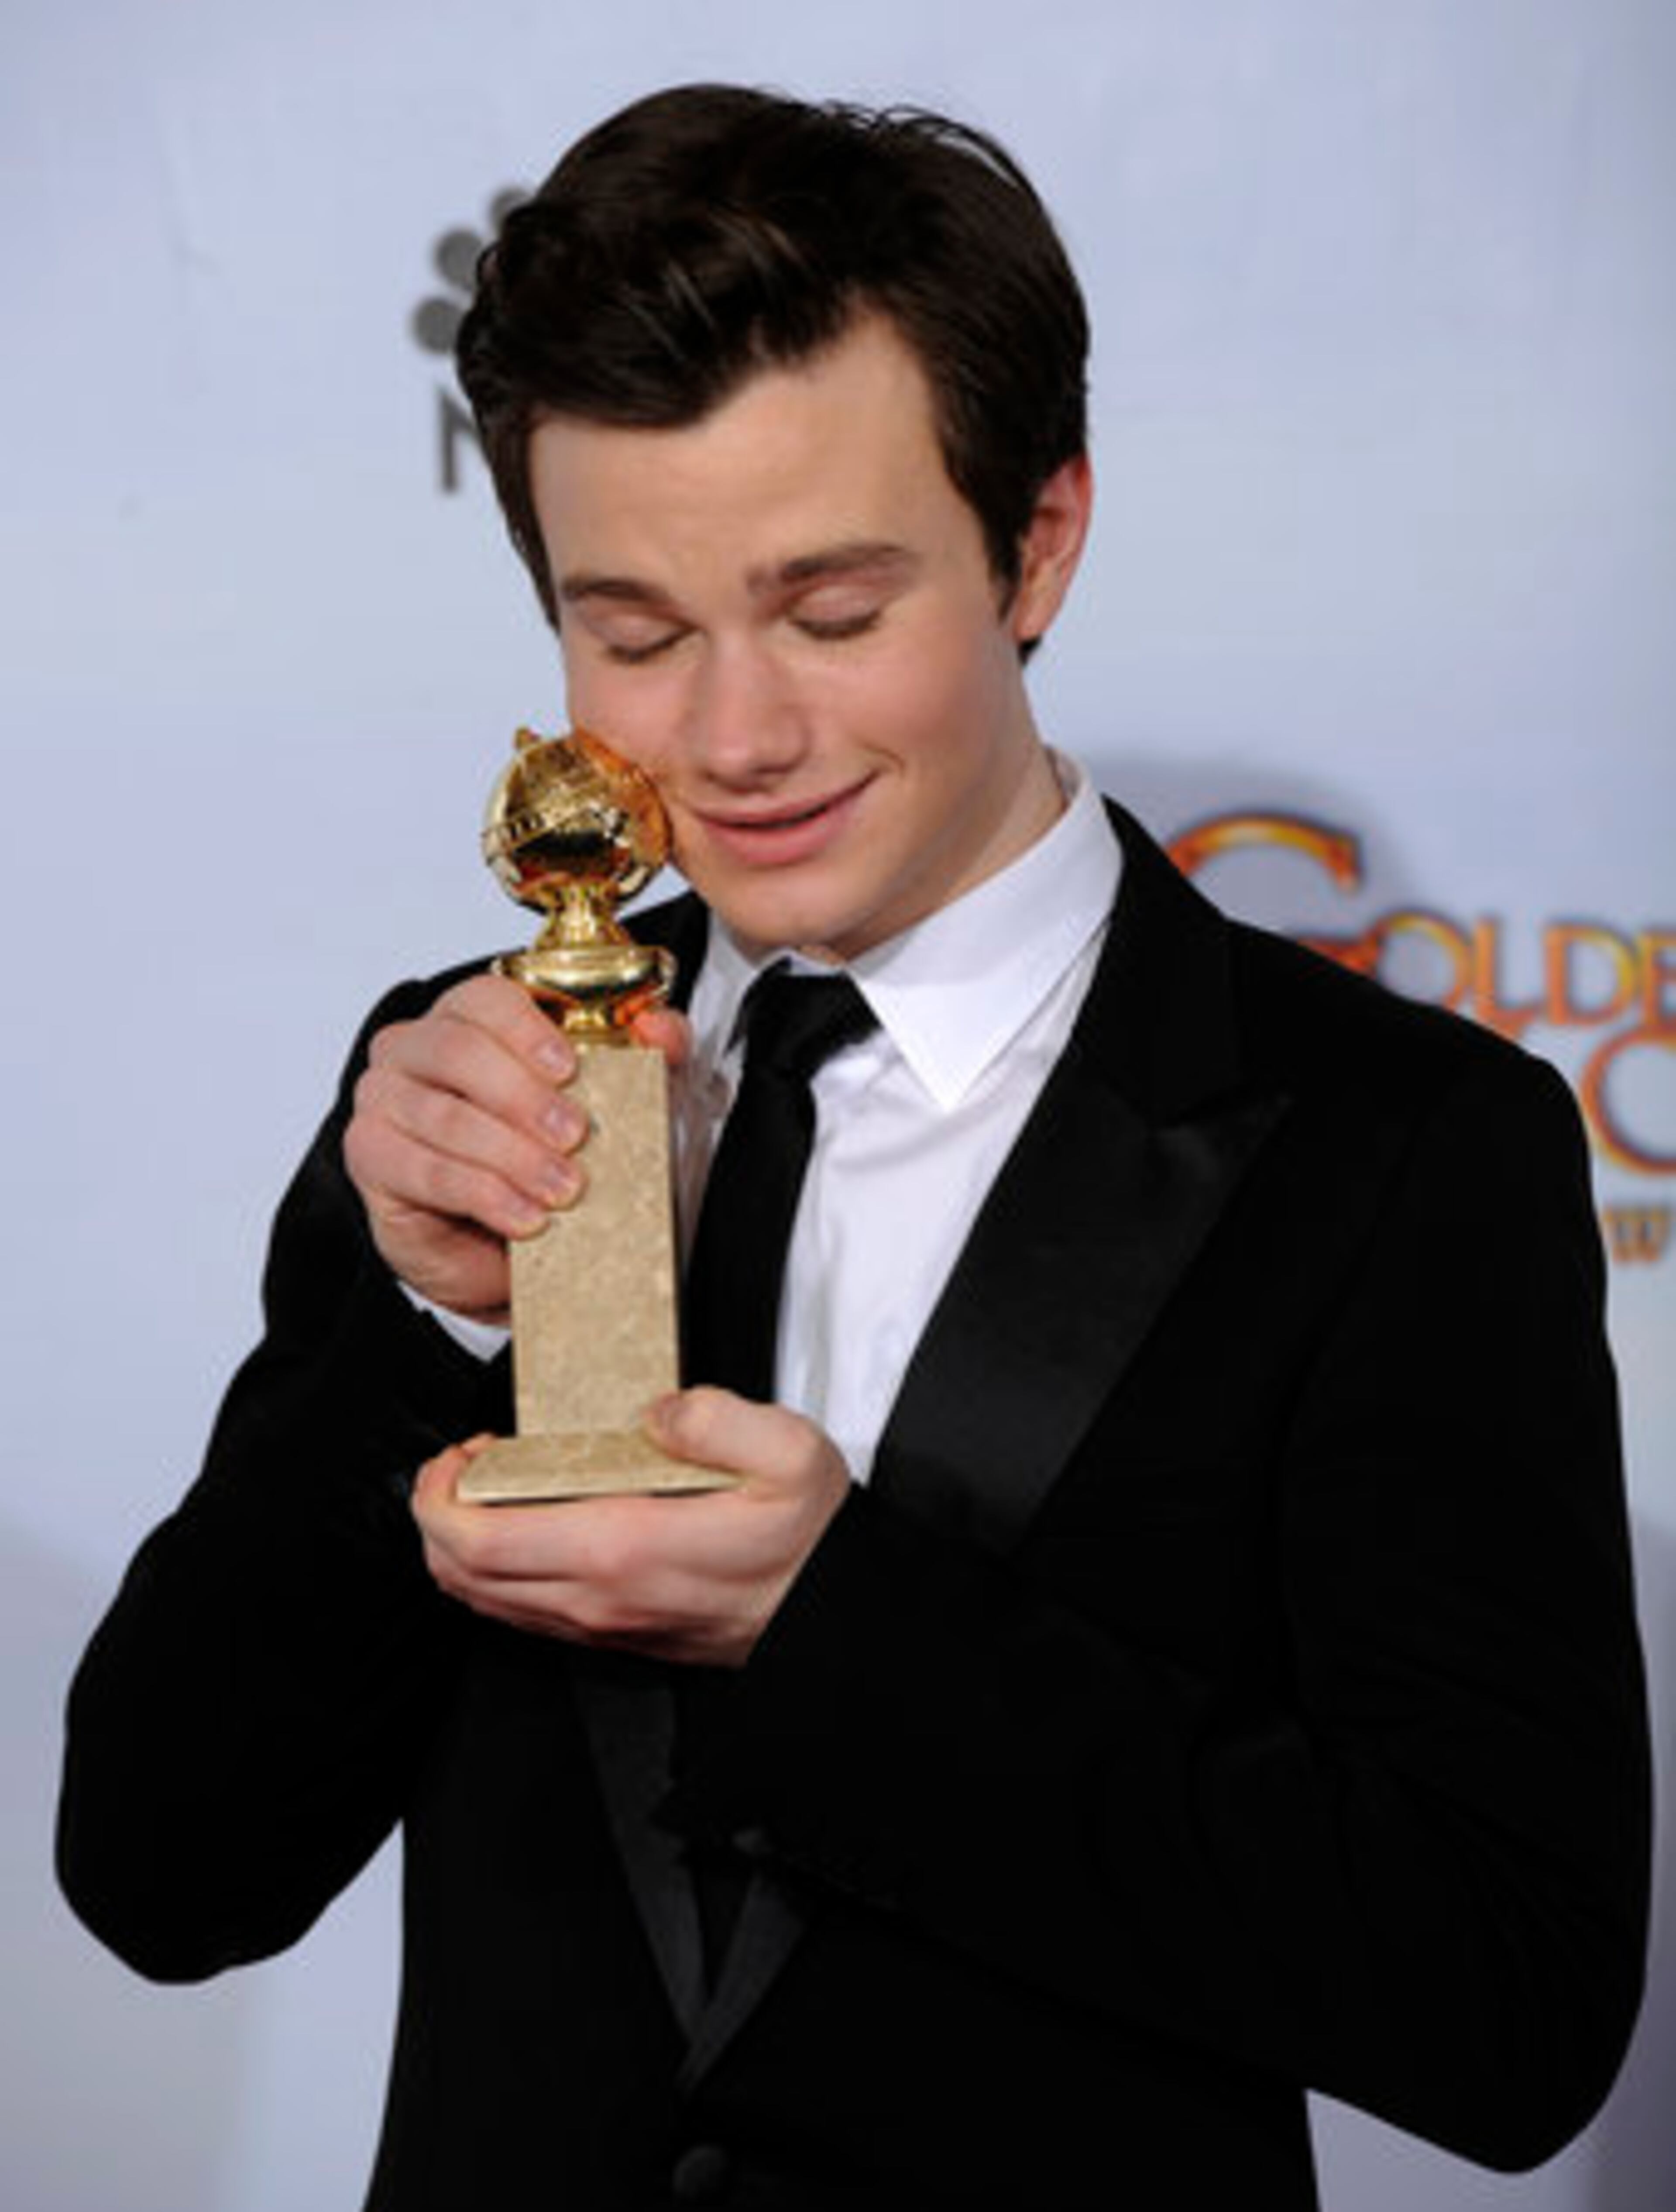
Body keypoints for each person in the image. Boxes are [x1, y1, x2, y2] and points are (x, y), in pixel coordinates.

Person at [56, 83, 1650, 2212]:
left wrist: (837, 1631)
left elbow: (1510, 2009)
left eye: (830, 611)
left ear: (1041, 538)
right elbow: (166, 1875)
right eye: (633, 634)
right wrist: (433, 1340)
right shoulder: (469, 1077)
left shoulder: (1400, 1152)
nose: (732, 738)